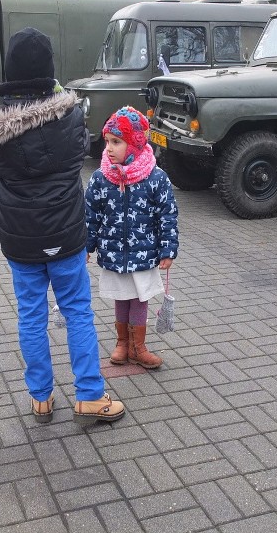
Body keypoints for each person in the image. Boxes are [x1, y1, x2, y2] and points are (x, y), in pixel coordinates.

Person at [0, 27, 126, 426]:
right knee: (77, 312)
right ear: (49, 70)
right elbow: (79, 152)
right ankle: (90, 395)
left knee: (30, 315)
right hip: (67, 232)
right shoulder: (70, 114)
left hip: (20, 236)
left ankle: (40, 397)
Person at [85, 106, 179, 369]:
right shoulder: (101, 178)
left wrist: (167, 249)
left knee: (139, 297)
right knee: (121, 296)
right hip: (114, 253)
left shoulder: (155, 178)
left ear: (135, 144)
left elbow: (167, 214)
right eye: (107, 142)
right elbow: (90, 214)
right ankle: (122, 343)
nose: (110, 148)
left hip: (144, 252)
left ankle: (139, 347)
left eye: (117, 142)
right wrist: (86, 246)